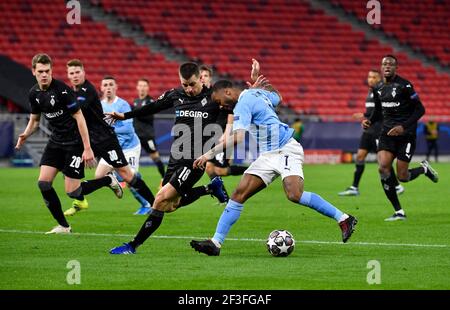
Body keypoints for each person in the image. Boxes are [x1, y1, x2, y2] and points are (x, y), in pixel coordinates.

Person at [190, 79, 358, 256]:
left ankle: (344, 218)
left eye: (219, 101)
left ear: (228, 93)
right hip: (268, 155)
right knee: (239, 194)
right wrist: (260, 89)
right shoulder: (256, 94)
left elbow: (237, 139)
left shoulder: (242, 105)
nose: (221, 107)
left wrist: (207, 155)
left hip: (285, 148)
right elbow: (278, 97)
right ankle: (215, 242)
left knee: (294, 194)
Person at [107, 62, 232, 254]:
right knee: (170, 206)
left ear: (200, 78)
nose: (188, 89)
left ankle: (132, 246)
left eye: (192, 84)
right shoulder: (176, 95)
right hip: (176, 158)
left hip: (195, 160)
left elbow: (236, 104)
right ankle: (210, 188)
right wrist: (125, 116)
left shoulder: (214, 97)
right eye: (185, 85)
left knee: (159, 200)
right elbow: (153, 106)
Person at [15, 54, 122, 234]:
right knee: (43, 183)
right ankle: (64, 226)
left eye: (47, 71)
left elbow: (79, 117)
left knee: (73, 192)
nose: (44, 75)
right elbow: (35, 119)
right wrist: (25, 134)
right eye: (40, 71)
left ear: (51, 71)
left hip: (74, 142)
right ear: (34, 72)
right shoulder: (34, 93)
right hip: (56, 141)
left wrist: (87, 148)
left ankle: (107, 179)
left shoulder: (63, 91)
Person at [63, 59, 156, 216]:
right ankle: (106, 183)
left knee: (128, 175)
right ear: (68, 75)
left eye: (78, 72)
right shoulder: (75, 94)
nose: (75, 75)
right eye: (71, 73)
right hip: (92, 140)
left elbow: (79, 111)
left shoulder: (88, 92)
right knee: (96, 177)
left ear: (84, 73)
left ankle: (154, 204)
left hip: (111, 141)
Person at [363, 55, 438, 221]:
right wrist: (370, 121)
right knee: (383, 168)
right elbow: (378, 110)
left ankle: (424, 169)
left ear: (396, 68)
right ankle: (399, 211)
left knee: (403, 176)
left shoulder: (405, 85)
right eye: (384, 64)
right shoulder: (378, 87)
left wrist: (403, 127)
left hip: (406, 135)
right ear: (381, 68)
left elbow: (420, 110)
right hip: (387, 134)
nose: (387, 66)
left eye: (391, 64)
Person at [339, 70, 404, 196]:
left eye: (374, 77)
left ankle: (397, 186)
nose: (371, 79)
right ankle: (354, 187)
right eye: (369, 77)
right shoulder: (370, 91)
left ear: (379, 79)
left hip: (379, 130)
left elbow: (381, 111)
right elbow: (371, 110)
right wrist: (366, 117)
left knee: (383, 162)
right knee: (359, 157)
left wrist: (363, 115)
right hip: (369, 131)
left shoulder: (382, 91)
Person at [98, 76, 151, 215]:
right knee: (99, 176)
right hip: (112, 147)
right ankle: (118, 178)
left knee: (129, 179)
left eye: (111, 85)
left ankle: (146, 204)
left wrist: (109, 130)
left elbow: (128, 128)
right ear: (101, 88)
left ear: (116, 87)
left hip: (129, 147)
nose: (108, 87)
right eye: (105, 85)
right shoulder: (99, 105)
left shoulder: (122, 105)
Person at [131, 78, 165, 179]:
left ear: (148, 88)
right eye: (140, 86)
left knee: (155, 157)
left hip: (147, 135)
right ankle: (128, 179)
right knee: (131, 157)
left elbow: (149, 116)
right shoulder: (135, 101)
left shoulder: (150, 101)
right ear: (137, 87)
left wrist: (136, 113)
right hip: (136, 135)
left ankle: (164, 179)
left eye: (144, 86)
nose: (142, 88)